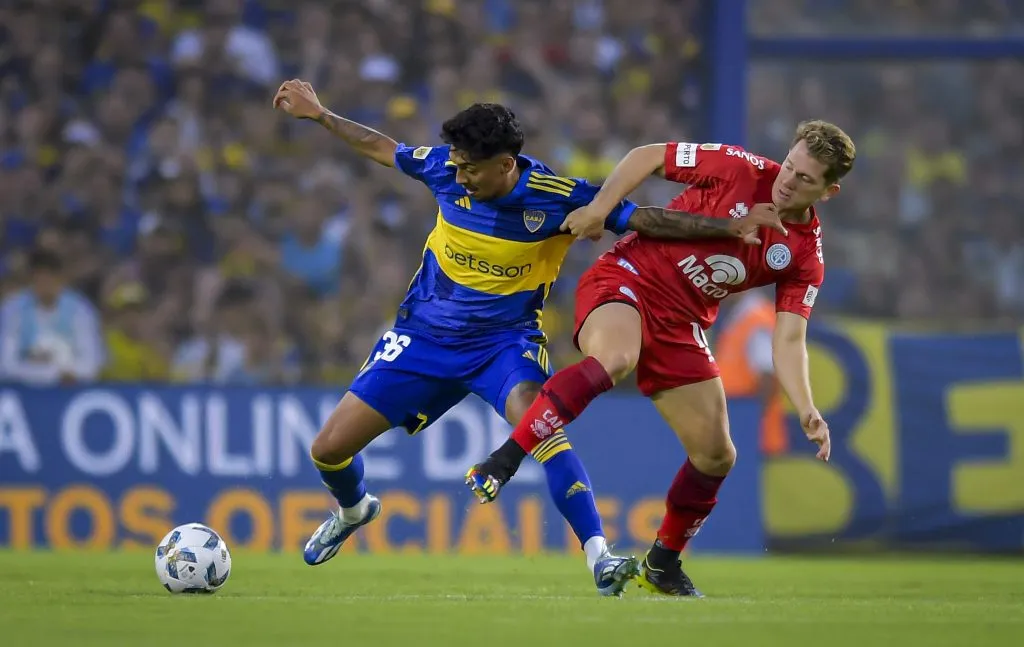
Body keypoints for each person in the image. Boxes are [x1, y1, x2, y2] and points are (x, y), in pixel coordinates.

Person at [272, 79, 785, 595]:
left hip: (504, 344)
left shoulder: (556, 198)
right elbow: (383, 148)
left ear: (505, 164)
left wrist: (727, 228)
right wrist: (321, 115)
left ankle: (600, 557)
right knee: (328, 450)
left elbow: (646, 219)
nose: (459, 175)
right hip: (423, 336)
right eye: (457, 165)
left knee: (542, 429)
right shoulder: (445, 167)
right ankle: (354, 509)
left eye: (471, 169)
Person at [466, 121, 855, 597]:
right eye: (790, 165)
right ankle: (503, 461)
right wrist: (599, 209)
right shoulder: (739, 168)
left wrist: (807, 406)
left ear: (828, 191)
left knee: (717, 455)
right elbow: (647, 155)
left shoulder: (805, 255)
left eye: (805, 178)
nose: (788, 180)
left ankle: (662, 565)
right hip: (627, 277)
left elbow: (790, 339)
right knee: (616, 357)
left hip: (681, 324)